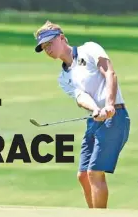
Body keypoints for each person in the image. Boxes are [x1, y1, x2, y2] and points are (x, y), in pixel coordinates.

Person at [33, 21, 131, 209]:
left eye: (49, 43)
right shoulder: (63, 78)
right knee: (83, 175)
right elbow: (81, 97)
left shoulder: (90, 49)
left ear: (61, 38)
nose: (48, 49)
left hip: (115, 116)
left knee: (95, 172)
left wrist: (109, 104)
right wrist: (95, 109)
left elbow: (110, 73)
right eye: (44, 47)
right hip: (95, 120)